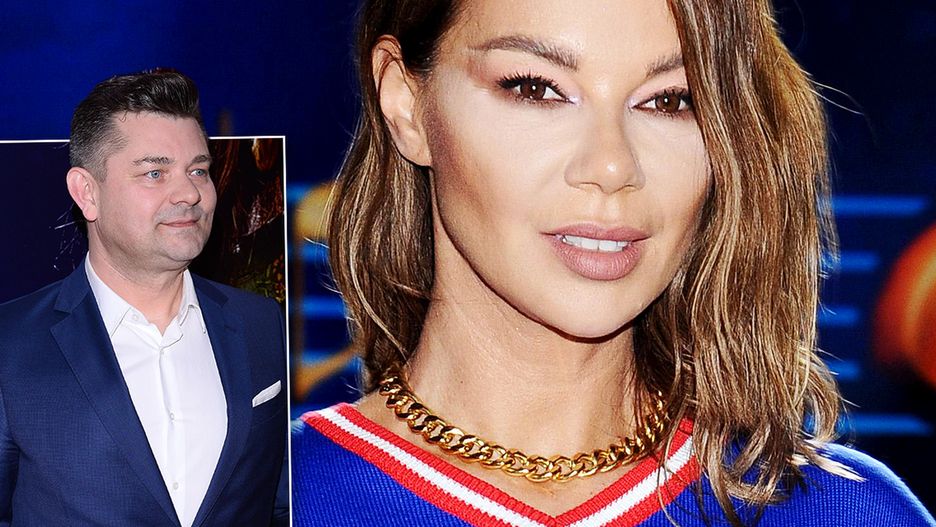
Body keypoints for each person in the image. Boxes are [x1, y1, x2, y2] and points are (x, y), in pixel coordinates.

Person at [292, 0, 936, 526]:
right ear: (406, 104)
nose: (611, 165)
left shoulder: (852, 513)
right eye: (536, 88)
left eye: (671, 100)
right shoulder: (265, 498)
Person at [0, 70, 288, 526]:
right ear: (87, 193)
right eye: (155, 173)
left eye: (198, 170)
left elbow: (276, 503)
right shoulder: (11, 344)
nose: (189, 193)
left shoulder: (260, 322)